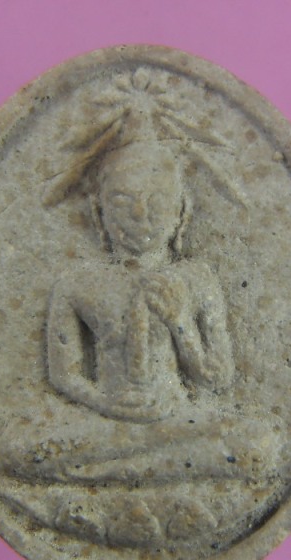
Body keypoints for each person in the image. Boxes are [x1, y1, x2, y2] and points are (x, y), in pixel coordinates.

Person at [47, 141, 235, 423]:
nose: (139, 214)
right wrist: (106, 404)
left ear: (181, 211)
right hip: (109, 419)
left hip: (177, 419)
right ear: (99, 212)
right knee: (19, 443)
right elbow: (64, 375)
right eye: (121, 202)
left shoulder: (197, 279)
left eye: (157, 201)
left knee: (256, 442)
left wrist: (180, 322)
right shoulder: (78, 285)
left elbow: (218, 377)